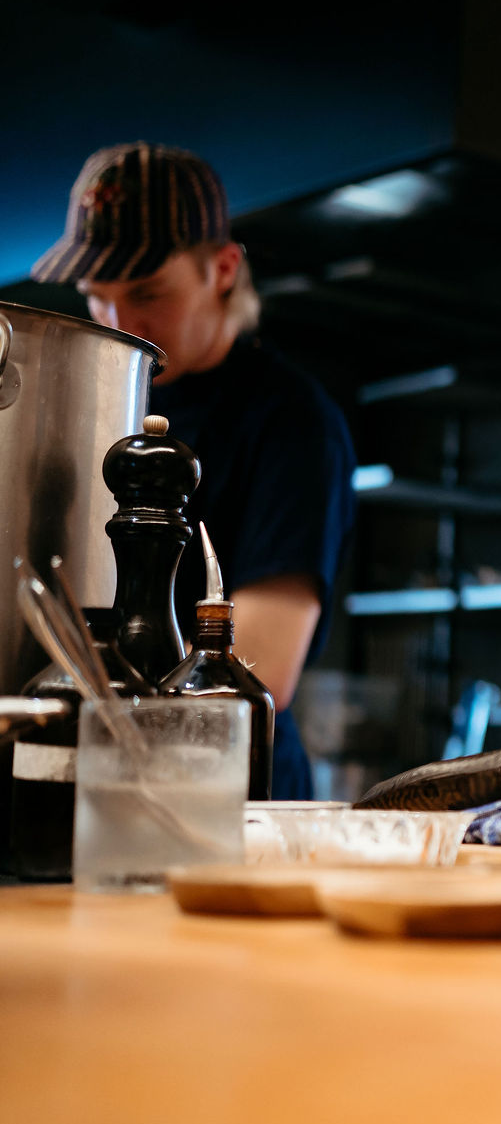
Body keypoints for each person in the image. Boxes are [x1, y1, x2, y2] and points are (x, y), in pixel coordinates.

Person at [32, 142, 356, 800]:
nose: (121, 325)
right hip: (102, 776)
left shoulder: (292, 420)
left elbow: (259, 665)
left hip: (227, 789)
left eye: (148, 291)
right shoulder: (97, 405)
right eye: (98, 298)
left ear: (224, 269)